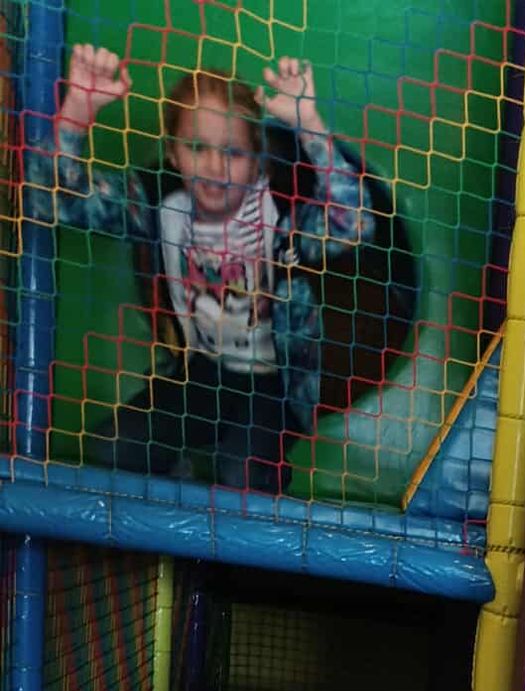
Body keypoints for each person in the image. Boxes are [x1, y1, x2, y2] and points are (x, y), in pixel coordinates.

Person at [25, 44, 410, 491]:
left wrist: (309, 124)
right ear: (173, 153)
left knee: (239, 473)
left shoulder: (279, 216)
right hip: (201, 374)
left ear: (257, 161)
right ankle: (182, 473)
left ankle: (261, 476)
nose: (214, 168)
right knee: (114, 448)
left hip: (271, 385)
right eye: (196, 148)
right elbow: (53, 200)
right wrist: (78, 110)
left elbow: (354, 222)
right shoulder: (159, 205)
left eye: (233, 153)